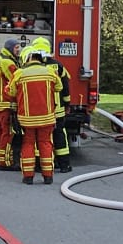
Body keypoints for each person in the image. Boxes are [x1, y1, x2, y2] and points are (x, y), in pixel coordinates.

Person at [7, 43, 63, 185]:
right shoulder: (50, 71)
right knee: (45, 143)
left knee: (28, 143)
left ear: (27, 58)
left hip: (27, 118)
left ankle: (28, 177)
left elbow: (11, 91)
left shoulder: (19, 73)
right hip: (47, 117)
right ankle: (48, 176)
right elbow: (59, 87)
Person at [27, 38, 73, 173]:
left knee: (38, 137)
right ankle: (64, 165)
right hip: (57, 110)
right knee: (59, 135)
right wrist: (67, 103)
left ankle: (38, 166)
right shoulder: (58, 66)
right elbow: (65, 86)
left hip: (39, 110)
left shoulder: (31, 67)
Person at [0, 41, 20, 171]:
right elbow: (16, 79)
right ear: (10, 48)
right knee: (7, 132)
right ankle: (5, 162)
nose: (19, 50)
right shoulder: (8, 62)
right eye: (17, 47)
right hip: (6, 103)